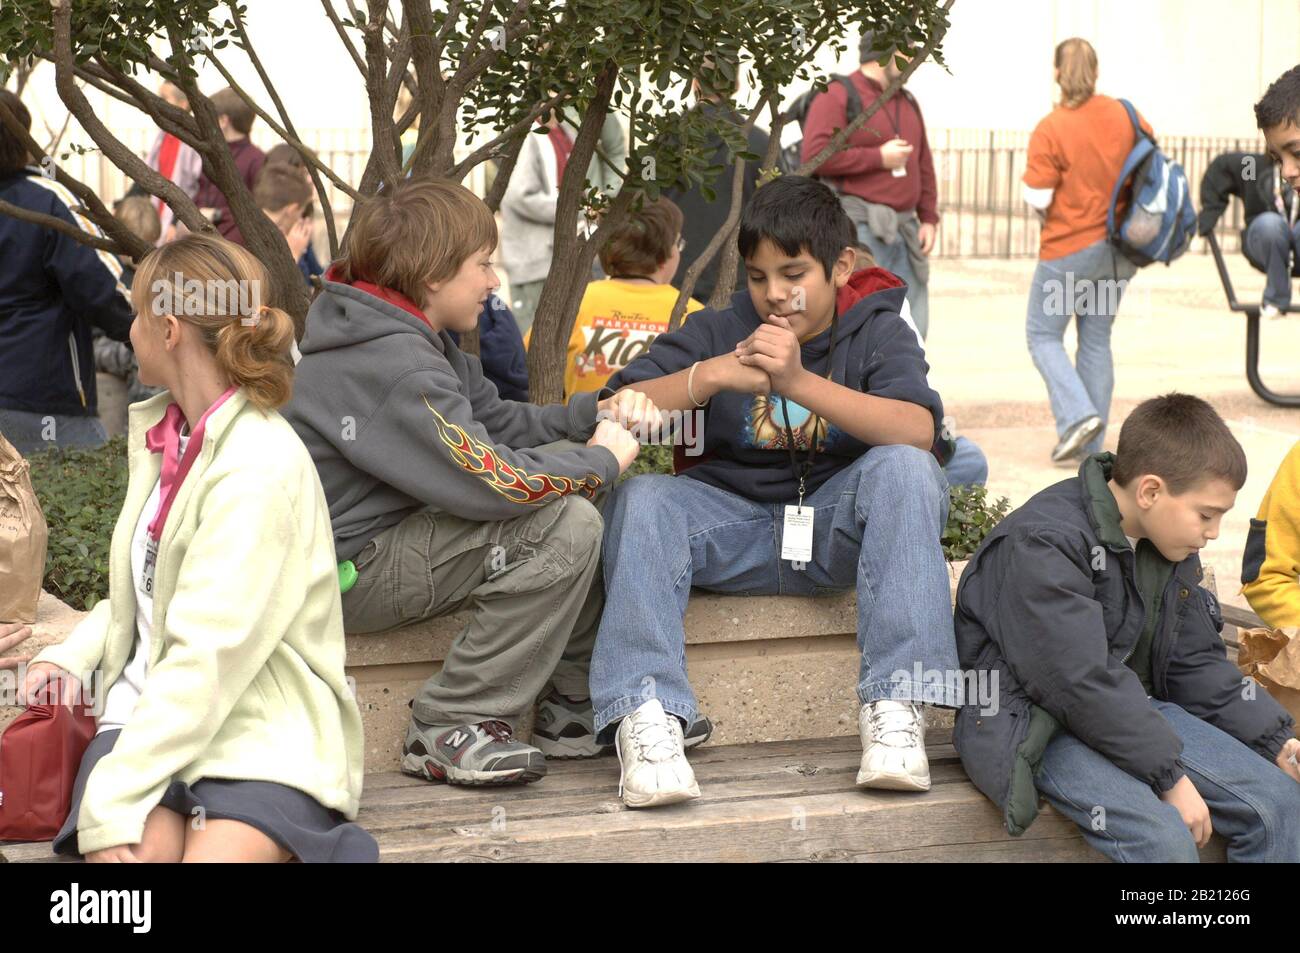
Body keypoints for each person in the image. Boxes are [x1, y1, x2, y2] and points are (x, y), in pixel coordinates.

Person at [588, 175, 960, 808]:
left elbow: (917, 431)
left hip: (832, 526)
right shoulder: (720, 328)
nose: (774, 295)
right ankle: (647, 717)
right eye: (758, 277)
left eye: (793, 275)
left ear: (841, 266)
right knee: (644, 498)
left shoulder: (878, 330)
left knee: (906, 470)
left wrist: (796, 382)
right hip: (729, 529)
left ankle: (896, 709)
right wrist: (713, 375)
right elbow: (619, 406)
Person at [282, 178, 660, 785]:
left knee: (576, 494)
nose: (493, 280)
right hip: (348, 573)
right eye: (482, 264)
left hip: (387, 547)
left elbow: (503, 422)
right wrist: (599, 463)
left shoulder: (411, 337)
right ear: (434, 275)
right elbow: (496, 481)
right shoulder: (397, 364)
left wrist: (595, 414)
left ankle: (571, 705)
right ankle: (451, 723)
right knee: (564, 523)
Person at [24, 233, 374, 862]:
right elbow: (150, 590)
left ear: (170, 328)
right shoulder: (169, 435)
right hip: (145, 721)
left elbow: (207, 660)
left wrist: (108, 803)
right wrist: (72, 654)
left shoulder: (257, 466)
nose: (128, 331)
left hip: (260, 734)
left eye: (136, 314)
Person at [953, 393, 1300, 861]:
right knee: (1163, 840)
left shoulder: (1165, 541)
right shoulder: (1044, 541)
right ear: (1151, 491)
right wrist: (1168, 778)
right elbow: (1078, 682)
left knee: (1279, 806)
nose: (1214, 532)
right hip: (1034, 724)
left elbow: (1193, 660)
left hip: (1132, 713)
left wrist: (1276, 741)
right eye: (1207, 514)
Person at [1021, 38, 1147, 466]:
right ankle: (1092, 451)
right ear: (1095, 71)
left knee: (1042, 334)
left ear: (1057, 72)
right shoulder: (1125, 114)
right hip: (1119, 251)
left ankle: (1077, 417)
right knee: (1095, 338)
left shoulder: (1053, 126)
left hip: (1071, 248)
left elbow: (1037, 196)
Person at [0, 89, 134, 455]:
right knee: (100, 492)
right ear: (21, 138)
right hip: (42, 396)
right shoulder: (47, 200)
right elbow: (106, 288)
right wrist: (151, 329)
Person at [800, 31, 940, 338]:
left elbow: (923, 162)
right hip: (861, 229)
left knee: (914, 327)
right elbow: (814, 155)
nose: (913, 61)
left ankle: (909, 385)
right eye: (907, 53)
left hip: (907, 230)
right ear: (886, 52)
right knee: (863, 324)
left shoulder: (906, 99)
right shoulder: (837, 94)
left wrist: (929, 217)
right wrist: (878, 157)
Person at [529, 196, 704, 397]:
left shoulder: (576, 302)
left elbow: (529, 362)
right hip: (667, 427)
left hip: (580, 425)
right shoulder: (694, 313)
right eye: (677, 243)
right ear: (666, 254)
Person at [848, 242, 987, 487]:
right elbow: (922, 416)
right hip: (883, 452)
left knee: (961, 457)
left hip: (894, 441)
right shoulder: (888, 306)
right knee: (966, 460)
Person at [499, 110, 625, 334]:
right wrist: (578, 208)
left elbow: (615, 149)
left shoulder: (568, 129)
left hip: (567, 254)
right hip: (535, 261)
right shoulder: (528, 135)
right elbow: (519, 195)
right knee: (534, 336)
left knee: (570, 335)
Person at [667, 65, 770, 304]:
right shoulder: (758, 143)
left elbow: (643, 203)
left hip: (673, 273)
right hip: (737, 279)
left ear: (695, 83)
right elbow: (778, 213)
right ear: (736, 85)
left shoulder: (667, 138)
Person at [1246, 65, 1300, 318]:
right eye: (1278, 159)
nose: (1287, 171)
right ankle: (1276, 297)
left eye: (1298, 153)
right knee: (1268, 225)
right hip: (1273, 237)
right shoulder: (1255, 172)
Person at [192, 87, 266, 247]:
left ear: (224, 121)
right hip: (200, 240)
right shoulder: (207, 153)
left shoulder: (257, 160)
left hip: (232, 248)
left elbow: (259, 211)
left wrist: (217, 214)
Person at [145, 81, 203, 245]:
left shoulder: (193, 138)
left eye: (164, 98)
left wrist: (176, 222)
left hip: (178, 223)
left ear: (183, 105)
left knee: (177, 271)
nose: (158, 102)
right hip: (157, 215)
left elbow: (195, 186)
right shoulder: (163, 134)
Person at [252, 161, 317, 285]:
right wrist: (294, 255)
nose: (300, 218)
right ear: (291, 210)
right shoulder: (257, 240)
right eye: (301, 211)